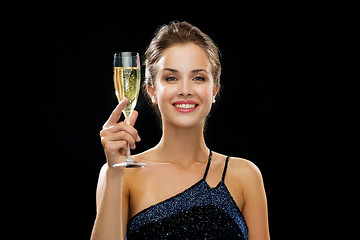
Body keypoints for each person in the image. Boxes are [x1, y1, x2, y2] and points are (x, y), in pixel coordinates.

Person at [91, 21, 270, 240]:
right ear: (152, 91)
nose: (185, 90)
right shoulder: (119, 173)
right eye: (172, 78)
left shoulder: (245, 176)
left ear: (214, 90)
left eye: (198, 78)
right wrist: (116, 171)